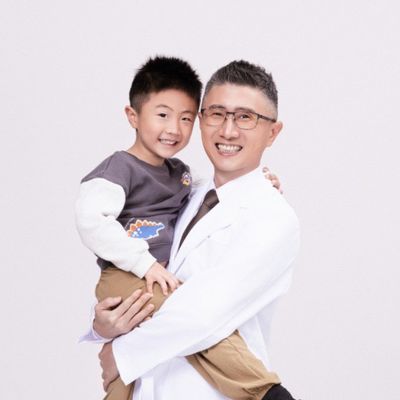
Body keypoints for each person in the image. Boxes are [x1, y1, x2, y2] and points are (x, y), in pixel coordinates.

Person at [77, 57, 294, 400]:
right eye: (217, 114)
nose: (228, 131)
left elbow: (201, 316)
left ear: (273, 132)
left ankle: (268, 393)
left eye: (245, 117)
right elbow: (135, 270)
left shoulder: (271, 216)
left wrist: (119, 353)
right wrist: (102, 326)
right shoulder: (187, 192)